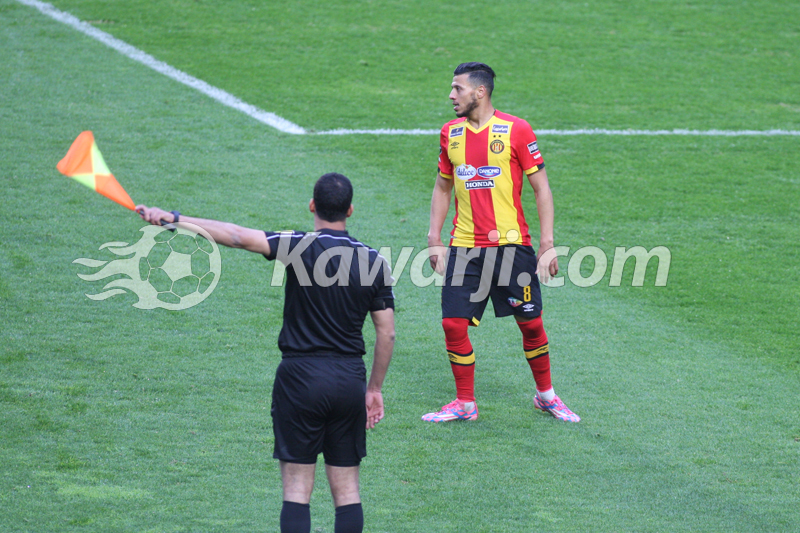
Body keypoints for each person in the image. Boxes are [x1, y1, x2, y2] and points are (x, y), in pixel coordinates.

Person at [137, 172, 395, 533]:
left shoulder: (298, 245)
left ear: (312, 206)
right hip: (348, 380)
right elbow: (387, 332)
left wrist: (177, 220)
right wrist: (374, 388)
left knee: (296, 490)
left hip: (300, 379)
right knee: (348, 491)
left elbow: (238, 236)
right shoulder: (374, 261)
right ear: (350, 210)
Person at [422, 62, 579, 423]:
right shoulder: (450, 134)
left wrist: (548, 242)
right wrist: (434, 236)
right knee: (453, 325)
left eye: (457, 88)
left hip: (512, 247)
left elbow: (542, 188)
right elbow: (443, 185)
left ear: (480, 92)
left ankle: (546, 396)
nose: (451, 95)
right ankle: (464, 403)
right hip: (464, 246)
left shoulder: (516, 130)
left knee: (531, 322)